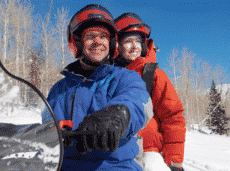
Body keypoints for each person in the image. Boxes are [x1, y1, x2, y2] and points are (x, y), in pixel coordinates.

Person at [43, 4, 153, 171]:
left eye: (103, 36)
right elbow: (45, 126)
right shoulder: (59, 89)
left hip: (115, 166)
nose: (98, 42)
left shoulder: (125, 77)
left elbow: (139, 103)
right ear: (77, 43)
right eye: (91, 36)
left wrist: (118, 115)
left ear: (112, 43)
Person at [114, 13, 186, 171]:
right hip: (115, 156)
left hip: (148, 155)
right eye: (127, 41)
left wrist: (174, 162)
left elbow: (172, 118)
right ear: (117, 45)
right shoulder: (107, 77)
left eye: (138, 41)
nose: (134, 46)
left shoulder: (153, 75)